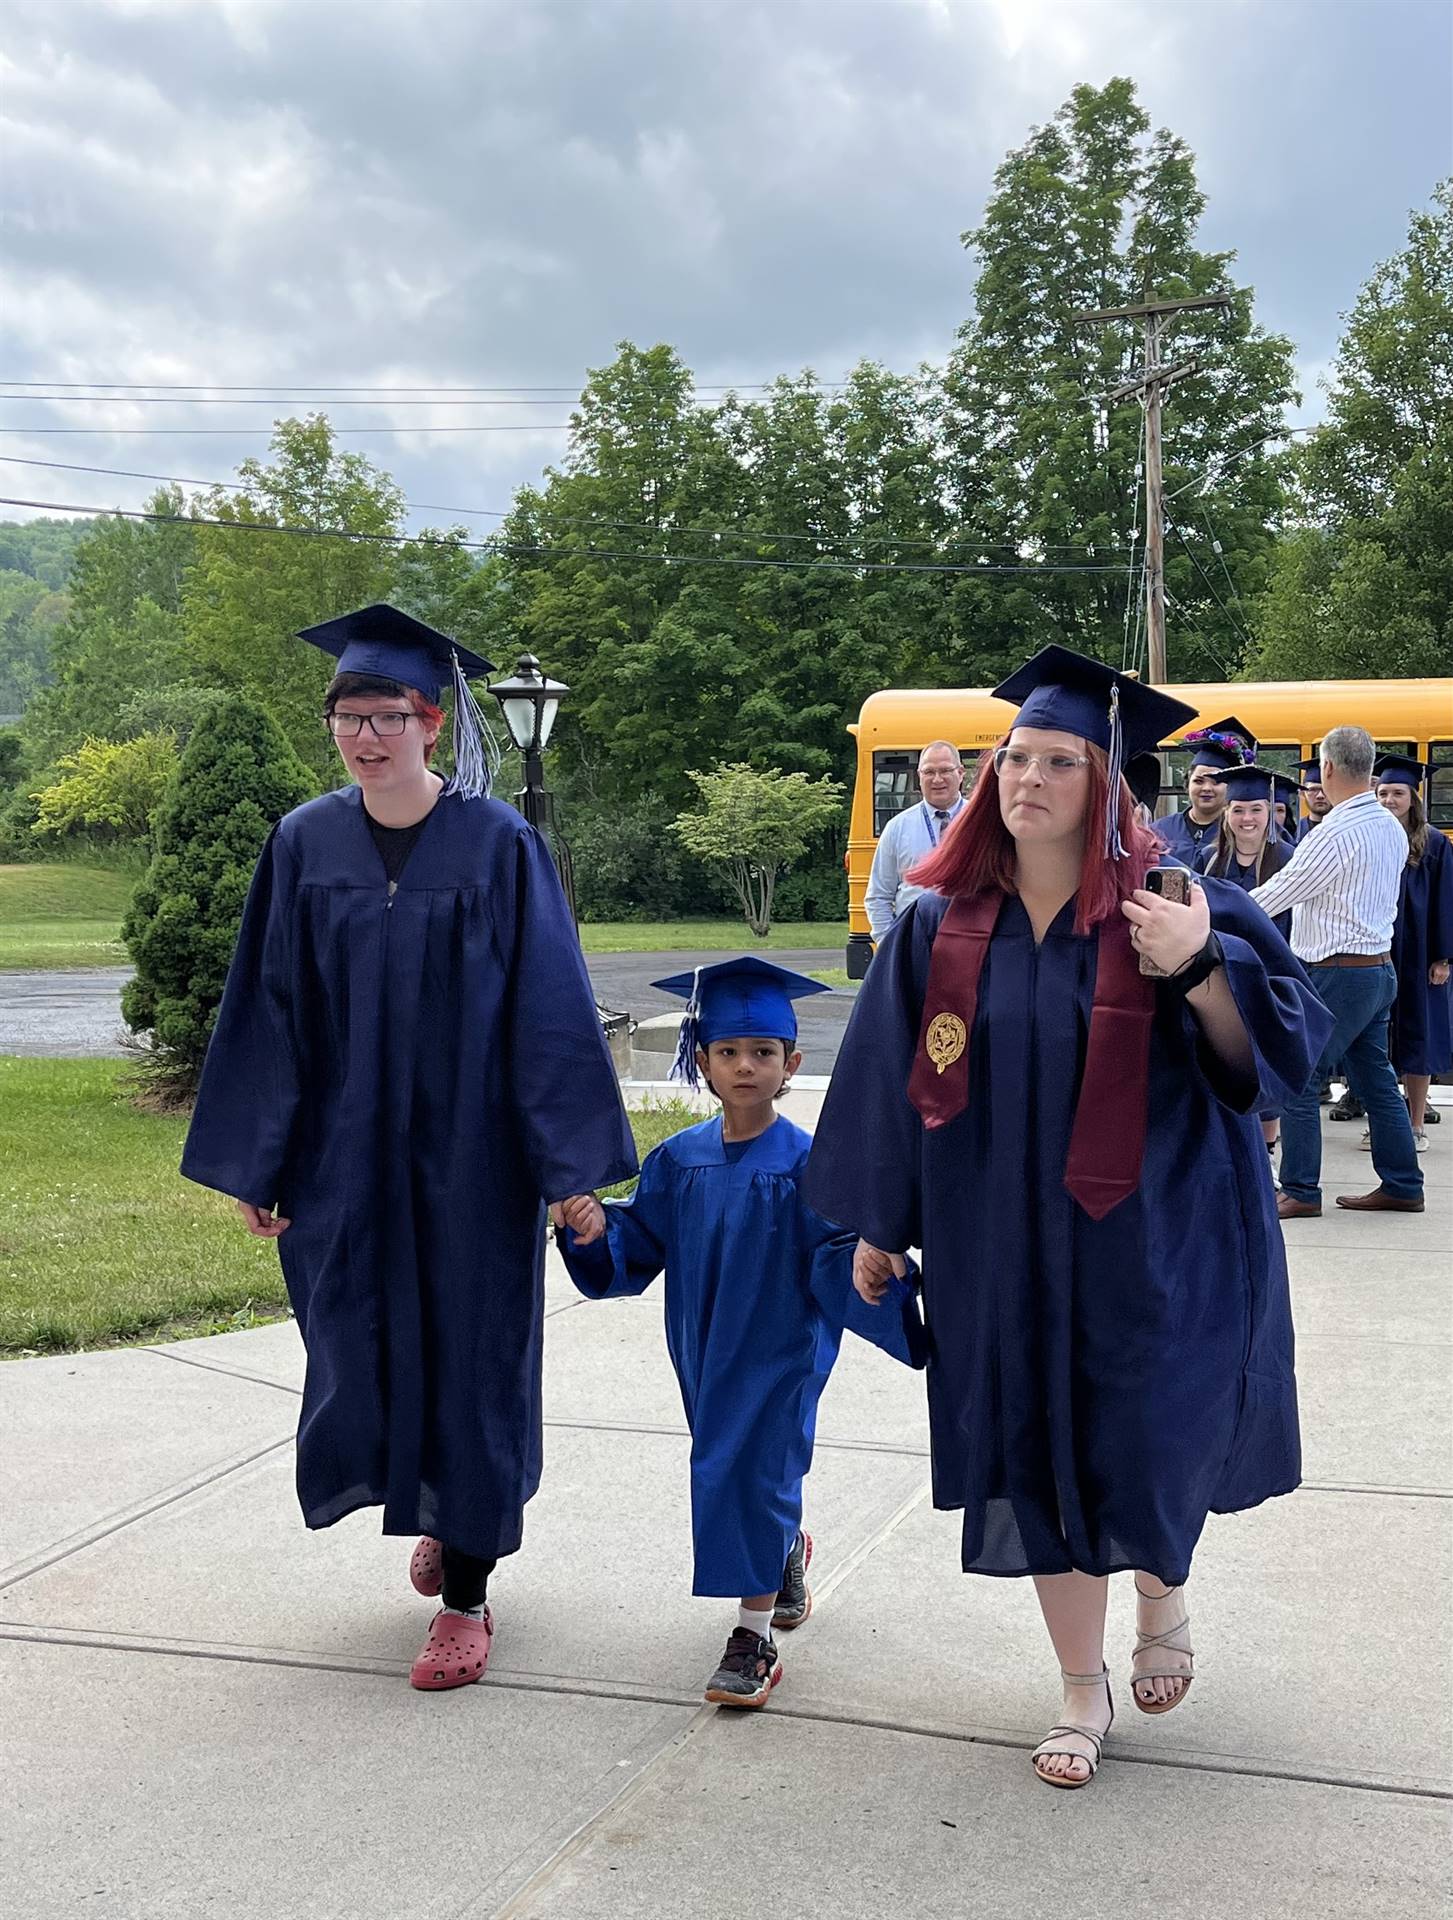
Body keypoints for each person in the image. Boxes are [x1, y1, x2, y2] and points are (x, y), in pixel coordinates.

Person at [805, 645, 1329, 1792]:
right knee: (1035, 1456)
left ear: (1105, 786)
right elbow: (892, 1085)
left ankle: (1161, 1589)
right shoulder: (939, 928)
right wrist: (880, 1228)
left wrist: (1196, 972)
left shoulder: (1179, 905)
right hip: (1001, 1243)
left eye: (1056, 760)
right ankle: (1079, 1692)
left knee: (1138, 1441)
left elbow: (1264, 1074)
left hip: (1153, 1240)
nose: (1024, 779)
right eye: (1014, 759)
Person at [181, 603, 637, 1691]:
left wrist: (567, 1168)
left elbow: (550, 1009)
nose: (366, 734)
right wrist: (262, 1158)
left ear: (433, 721)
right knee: (360, 1340)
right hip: (344, 1158)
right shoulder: (303, 842)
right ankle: (434, 1502)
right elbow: (270, 1006)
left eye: (388, 713)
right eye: (349, 715)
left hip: (474, 1161)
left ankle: (469, 1591)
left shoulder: (498, 844)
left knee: (475, 1357)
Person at [557, 957, 923, 1710]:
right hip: (702, 1352)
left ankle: (751, 1639)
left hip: (780, 1353)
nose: (745, 1066)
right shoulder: (676, 1160)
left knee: (748, 1467)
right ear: (702, 1062)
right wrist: (596, 1232)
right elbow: (638, 1246)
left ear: (792, 1064)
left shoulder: (807, 1164)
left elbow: (838, 1255)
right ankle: (783, 1547)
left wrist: (871, 1267)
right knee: (740, 1466)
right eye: (728, 1053)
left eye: (762, 1053)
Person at [1251, 725, 1425, 1218]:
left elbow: (1278, 895)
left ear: (1327, 768)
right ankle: (1403, 1183)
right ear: (1367, 766)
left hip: (1336, 971)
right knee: (1375, 1079)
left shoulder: (1333, 833)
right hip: (1377, 969)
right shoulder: (1389, 825)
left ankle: (1301, 1191)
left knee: (1301, 1078)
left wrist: (1216, 908)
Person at [1196, 765, 1293, 1153]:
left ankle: (1267, 1152)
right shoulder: (1208, 858)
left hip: (1271, 977)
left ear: (1269, 812)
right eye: (1238, 810)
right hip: (1221, 976)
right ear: (1226, 813)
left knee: (1264, 1061)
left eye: (1255, 809)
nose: (1246, 818)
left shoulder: (1288, 858)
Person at [1374, 755, 1452, 1151]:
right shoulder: (1370, 837)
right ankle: (1384, 1126)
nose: (1389, 799)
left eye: (1397, 793)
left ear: (1412, 796)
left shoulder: (1434, 842)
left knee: (1417, 1037)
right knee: (1380, 1041)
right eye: (1383, 792)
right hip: (1378, 950)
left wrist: (1443, 956)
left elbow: (1444, 901)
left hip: (1420, 955)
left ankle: (1417, 1125)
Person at [864, 741, 966, 941]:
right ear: (919, 776)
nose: (937, 779)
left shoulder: (982, 823)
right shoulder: (897, 828)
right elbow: (878, 897)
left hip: (971, 940)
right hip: (916, 941)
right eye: (929, 772)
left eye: (945, 770)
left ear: (960, 773)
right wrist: (890, 946)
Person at [1153, 715, 1255, 866]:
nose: (1206, 788)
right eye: (1198, 781)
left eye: (1216, 782)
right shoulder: (1159, 830)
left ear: (1231, 786)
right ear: (1188, 784)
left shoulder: (1239, 831)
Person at [1294, 756, 1334, 842]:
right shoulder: (1293, 832)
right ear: (1302, 793)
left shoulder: (1346, 829)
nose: (1320, 795)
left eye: (1325, 789)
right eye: (1313, 789)